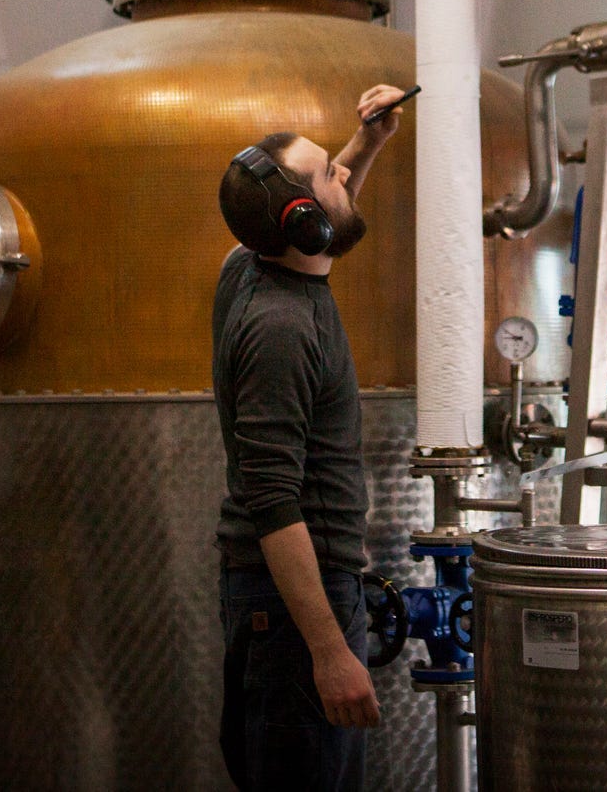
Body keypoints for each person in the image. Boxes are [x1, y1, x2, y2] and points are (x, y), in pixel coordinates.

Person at [212, 84, 409, 792]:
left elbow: (321, 217)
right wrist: (328, 651)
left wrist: (369, 141)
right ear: (302, 223)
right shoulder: (281, 328)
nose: (345, 175)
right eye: (331, 173)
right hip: (296, 607)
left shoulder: (250, 263)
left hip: (289, 598)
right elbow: (272, 499)